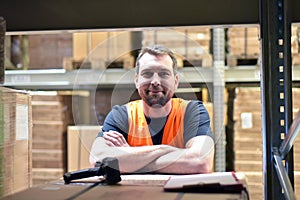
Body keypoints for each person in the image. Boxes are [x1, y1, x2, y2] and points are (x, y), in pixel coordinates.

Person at [90, 45, 215, 174]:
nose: (155, 81)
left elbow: (201, 162)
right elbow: (98, 160)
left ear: (175, 81)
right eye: (147, 74)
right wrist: (165, 151)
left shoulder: (192, 112)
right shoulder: (121, 115)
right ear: (137, 80)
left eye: (164, 74)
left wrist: (130, 158)